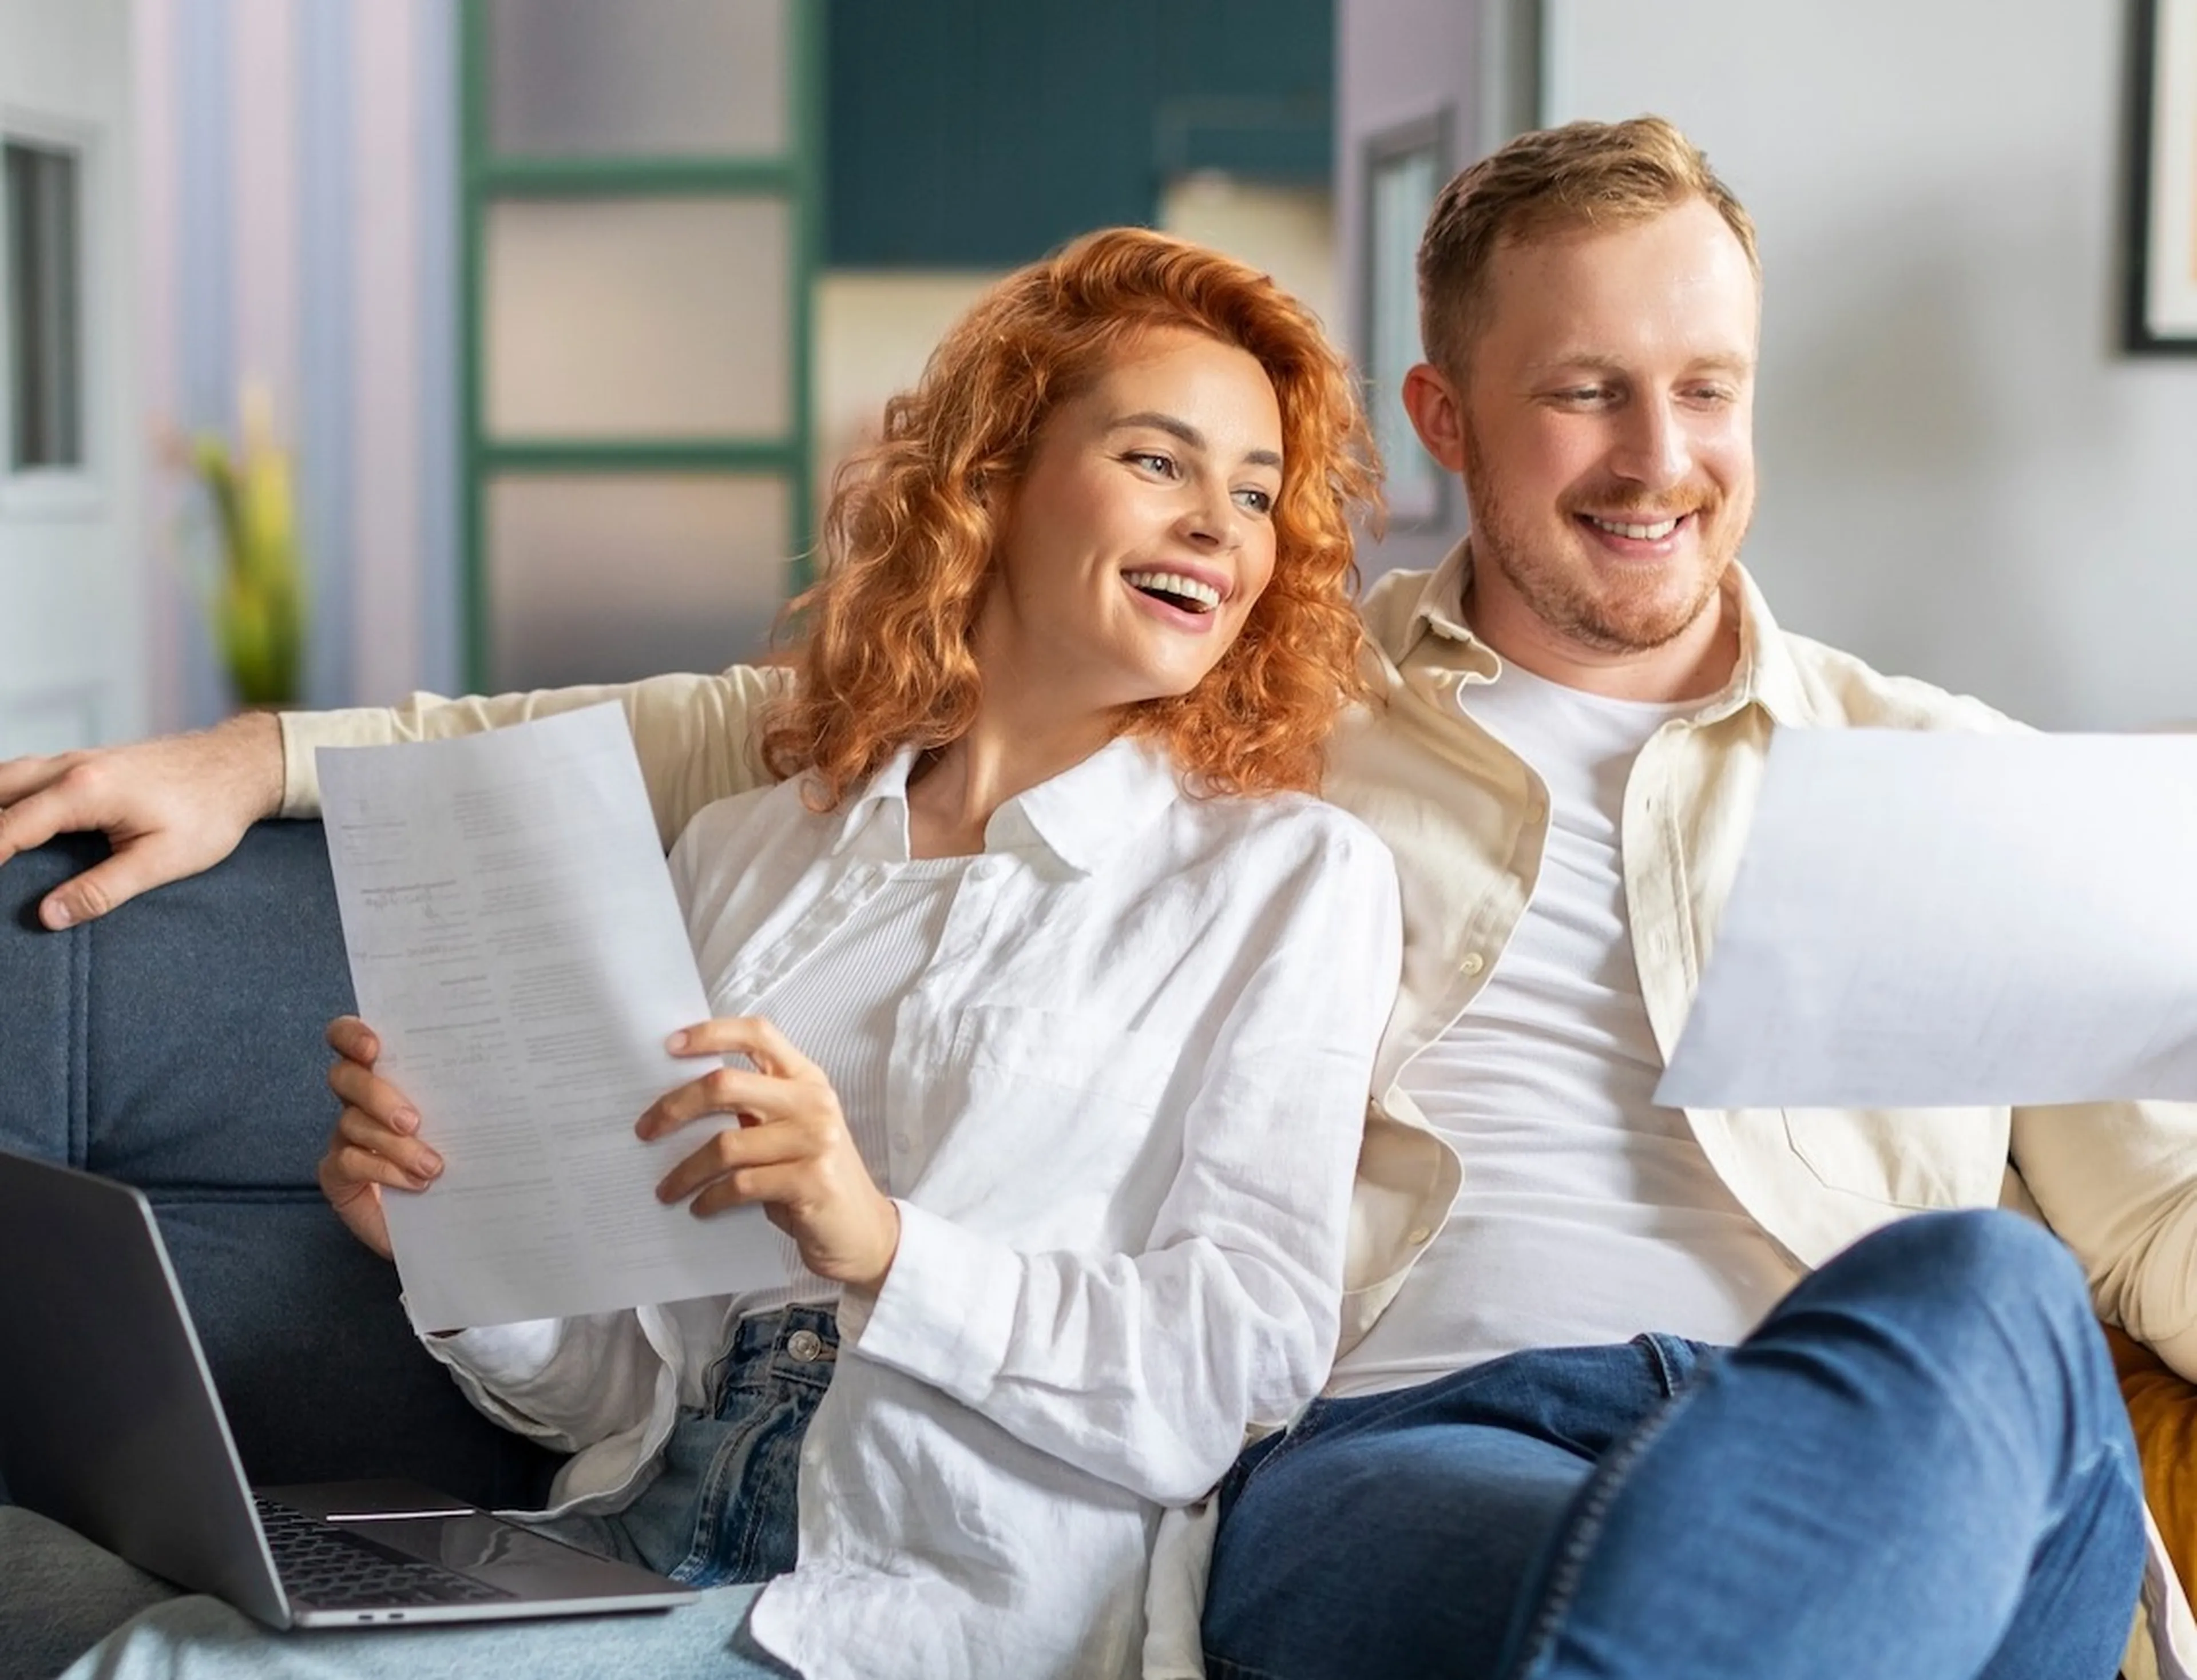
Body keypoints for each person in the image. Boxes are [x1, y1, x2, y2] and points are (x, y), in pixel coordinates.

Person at [1, 116, 2190, 1679]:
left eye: (1704, 388)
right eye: (1583, 393)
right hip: (1423, 1445)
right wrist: (262, 753)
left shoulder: (1946, 777)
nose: (1656, 455)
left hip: (1816, 1425)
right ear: (1446, 415)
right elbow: (713, 727)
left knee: (1986, 1307)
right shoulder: (1251, 722)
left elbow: (2150, 1224)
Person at [0, 227, 1405, 1679]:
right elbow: (618, 1379)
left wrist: (883, 1244)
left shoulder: (1287, 880)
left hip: (919, 1611)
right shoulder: (752, 851)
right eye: (1161, 462)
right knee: (169, 1641)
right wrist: (457, 1240)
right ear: (993, 478)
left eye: (1256, 493)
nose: (1221, 529)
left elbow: (1238, 1360)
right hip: (623, 1542)